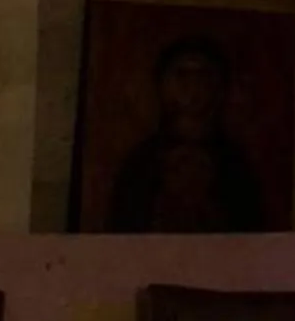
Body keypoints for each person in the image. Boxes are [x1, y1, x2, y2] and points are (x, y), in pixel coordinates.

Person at [107, 36, 270, 232]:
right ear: (162, 84)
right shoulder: (141, 163)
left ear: (220, 86)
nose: (193, 85)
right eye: (182, 74)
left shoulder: (236, 165)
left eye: (204, 75)